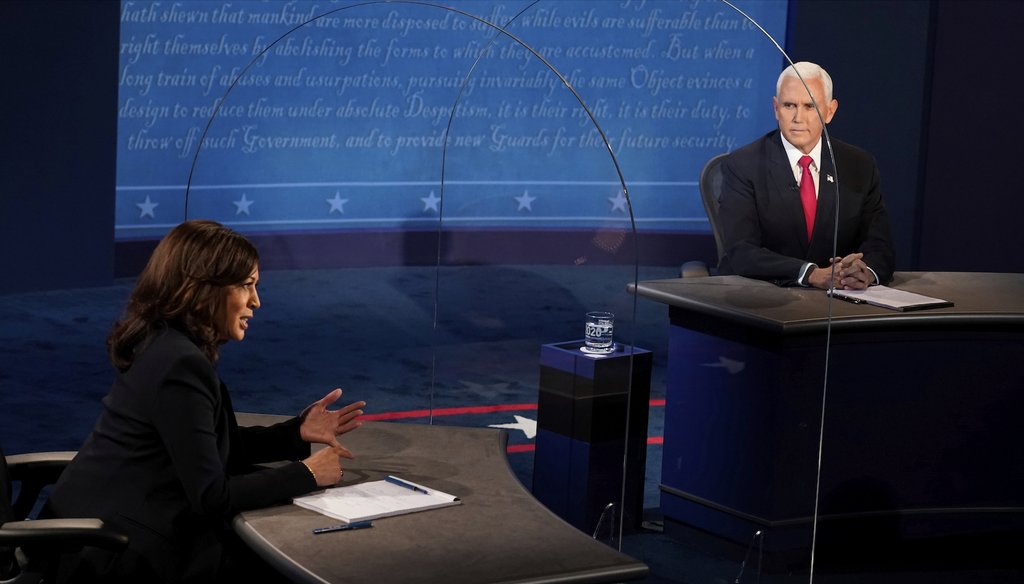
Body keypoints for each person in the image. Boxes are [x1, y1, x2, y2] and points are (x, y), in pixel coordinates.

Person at [45, 220, 366, 583]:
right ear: (202, 289)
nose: (257, 301)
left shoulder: (165, 343)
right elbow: (212, 495)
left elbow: (204, 448)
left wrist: (297, 434)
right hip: (116, 553)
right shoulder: (178, 363)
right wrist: (306, 474)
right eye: (246, 285)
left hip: (110, 530)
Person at [717, 61, 895, 289]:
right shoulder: (743, 165)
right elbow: (742, 252)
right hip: (762, 296)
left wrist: (865, 272)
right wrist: (809, 273)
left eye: (810, 106)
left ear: (830, 111)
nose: (798, 117)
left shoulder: (859, 165)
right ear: (776, 108)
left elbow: (880, 246)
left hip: (837, 303)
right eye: (789, 105)